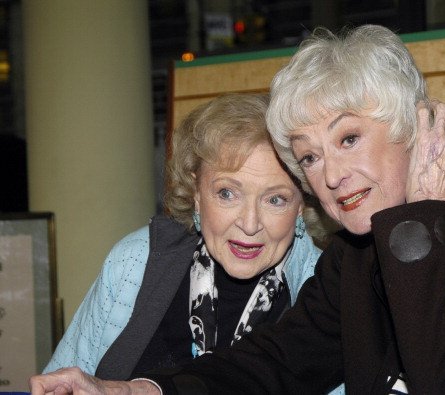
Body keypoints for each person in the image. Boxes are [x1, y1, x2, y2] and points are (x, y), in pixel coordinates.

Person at [31, 24, 445, 394]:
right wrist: (135, 389)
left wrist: (423, 214)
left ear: (410, 127)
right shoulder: (357, 254)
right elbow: (275, 363)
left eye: (348, 138)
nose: (329, 174)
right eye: (309, 156)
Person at [40, 93, 340, 392]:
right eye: (227, 193)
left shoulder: (329, 290)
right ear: (195, 192)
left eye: (276, 199)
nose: (250, 224)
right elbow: (63, 382)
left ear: (302, 203)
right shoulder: (136, 261)